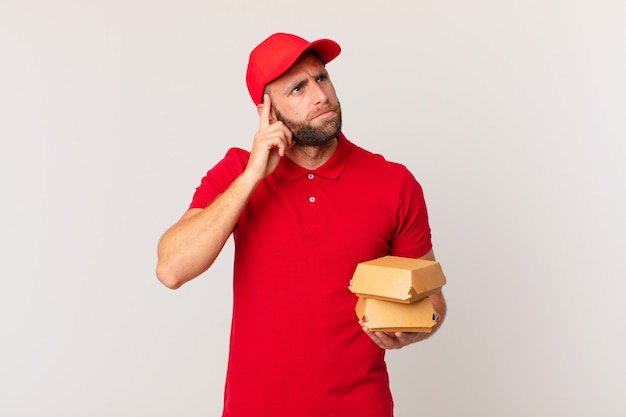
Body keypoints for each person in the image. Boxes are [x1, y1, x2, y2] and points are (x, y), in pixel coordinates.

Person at [156, 32, 446, 417]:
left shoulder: (393, 182)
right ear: (269, 113)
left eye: (321, 78)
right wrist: (251, 179)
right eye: (297, 88)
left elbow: (433, 302)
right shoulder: (237, 173)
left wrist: (412, 330)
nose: (319, 95)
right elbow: (172, 269)